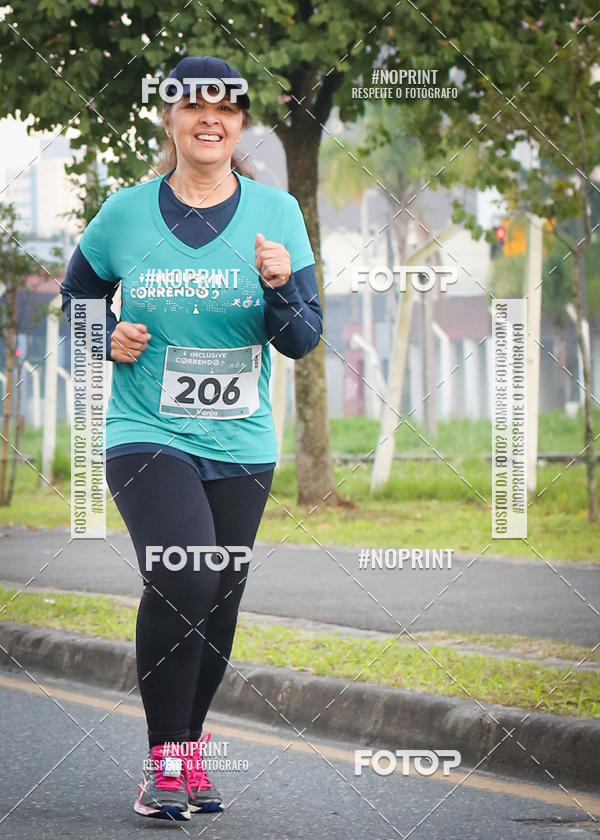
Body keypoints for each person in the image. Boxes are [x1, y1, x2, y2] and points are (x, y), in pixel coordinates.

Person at [61, 54, 322, 821]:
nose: (211, 117)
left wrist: (279, 289)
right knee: (186, 574)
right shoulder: (125, 213)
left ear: (240, 123)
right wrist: (106, 335)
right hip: (146, 431)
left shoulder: (278, 213)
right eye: (194, 104)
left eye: (227, 107)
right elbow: (75, 306)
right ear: (169, 118)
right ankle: (163, 762)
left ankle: (188, 755)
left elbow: (304, 340)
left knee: (220, 600)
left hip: (241, 440)